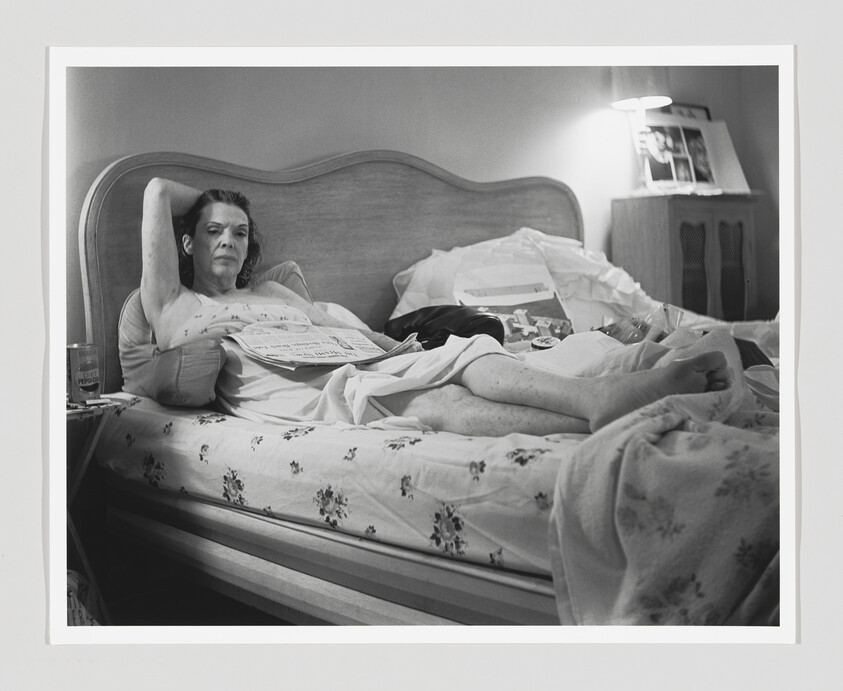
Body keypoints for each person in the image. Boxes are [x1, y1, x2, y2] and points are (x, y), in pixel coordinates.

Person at [140, 178, 730, 436]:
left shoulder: (270, 291)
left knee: (463, 351)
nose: (228, 242)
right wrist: (209, 205)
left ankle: (600, 398)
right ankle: (599, 411)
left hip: (349, 356)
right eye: (214, 232)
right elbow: (158, 191)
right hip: (286, 385)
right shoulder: (174, 304)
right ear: (187, 241)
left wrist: (392, 347)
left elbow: (332, 325)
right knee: (435, 401)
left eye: (240, 233)